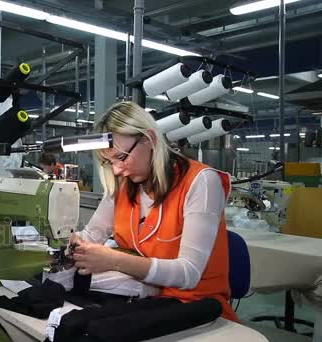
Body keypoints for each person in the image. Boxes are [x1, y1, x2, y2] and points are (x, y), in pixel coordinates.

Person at [69, 102, 237, 322]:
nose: (117, 170)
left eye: (121, 158)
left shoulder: (201, 182)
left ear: (149, 140)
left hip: (195, 307)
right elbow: (91, 236)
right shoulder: (123, 184)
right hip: (141, 298)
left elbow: (189, 274)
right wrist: (69, 244)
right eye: (109, 162)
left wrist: (114, 260)